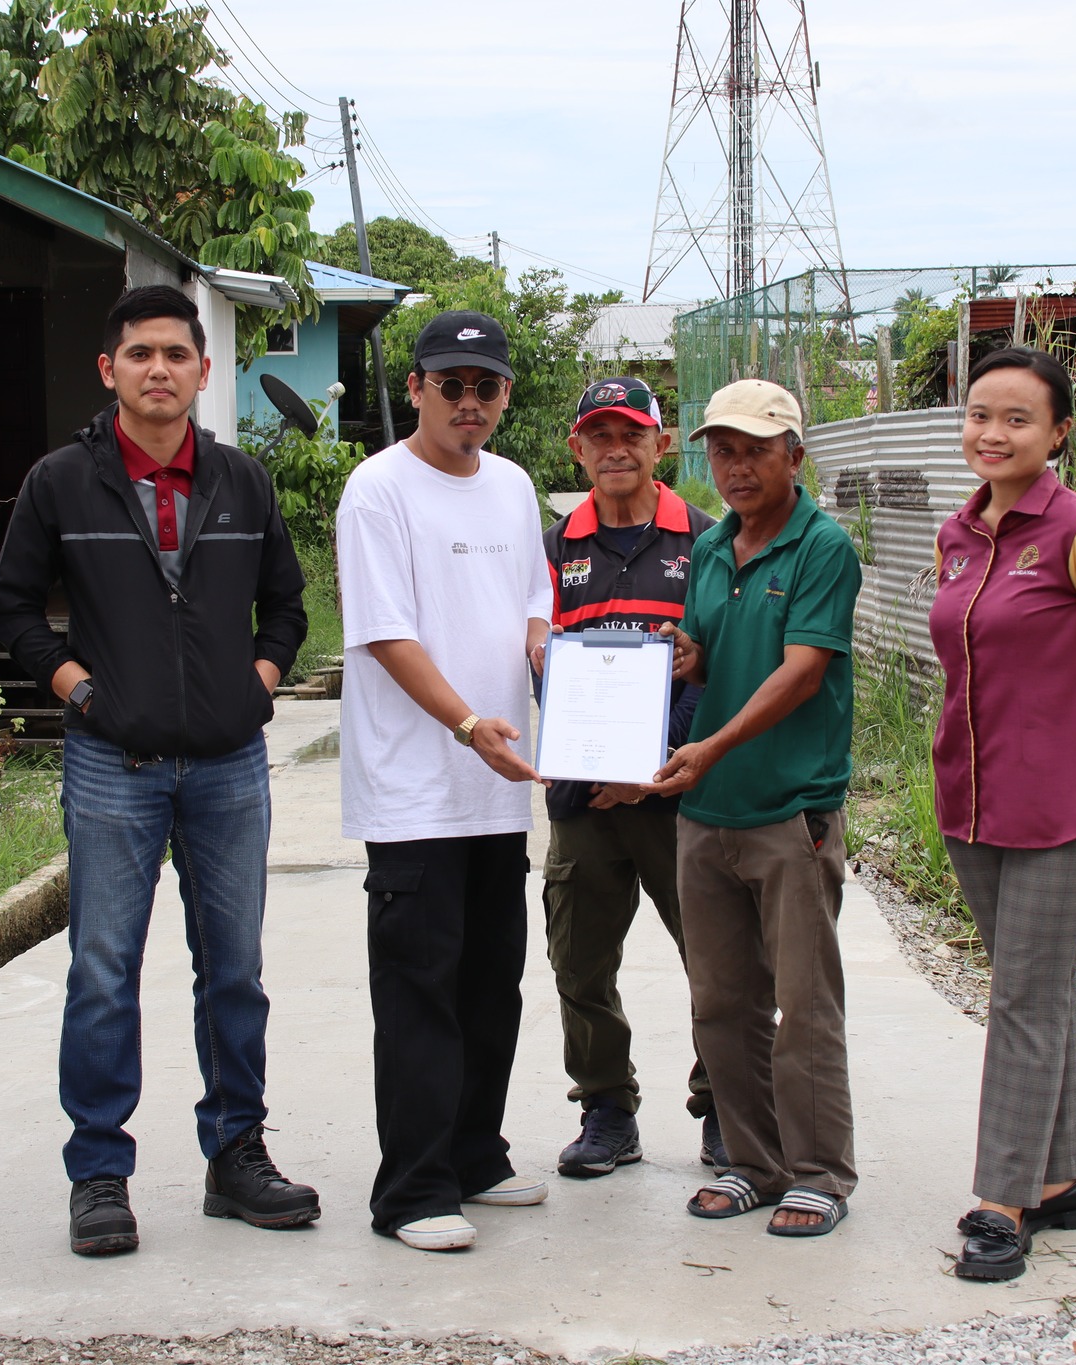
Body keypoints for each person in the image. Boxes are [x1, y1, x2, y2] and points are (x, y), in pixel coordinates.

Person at [0, 285, 316, 1255]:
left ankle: (237, 1155)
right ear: (110, 369)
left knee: (234, 969)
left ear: (203, 370)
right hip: (112, 764)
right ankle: (98, 1172)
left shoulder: (241, 481)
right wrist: (82, 692)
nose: (159, 370)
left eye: (177, 354)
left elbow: (286, 607)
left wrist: (255, 686)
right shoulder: (60, 482)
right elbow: (14, 609)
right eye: (140, 354)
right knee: (102, 970)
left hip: (227, 766)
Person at [932, 347, 1076, 1281]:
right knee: (1040, 986)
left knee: (1021, 996)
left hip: (1070, 804)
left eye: (1018, 419)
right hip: (974, 801)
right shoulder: (957, 535)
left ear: (1058, 432)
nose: (993, 433)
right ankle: (1065, 1181)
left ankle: (1003, 1200)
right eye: (980, 414)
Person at [334, 310, 555, 1252]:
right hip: (416, 790)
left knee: (491, 983)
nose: (469, 402)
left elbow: (536, 601)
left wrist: (548, 655)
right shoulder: (377, 490)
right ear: (416, 387)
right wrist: (467, 725)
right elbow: (386, 634)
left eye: (486, 386)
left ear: (504, 394)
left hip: (498, 789)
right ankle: (412, 1190)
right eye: (451, 384)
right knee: (419, 991)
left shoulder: (513, 485)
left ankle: (475, 1155)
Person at [649, 378, 862, 1238]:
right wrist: (686, 656)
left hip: (788, 808)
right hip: (708, 812)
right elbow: (713, 652)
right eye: (722, 451)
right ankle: (753, 1160)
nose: (736, 468)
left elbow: (802, 672)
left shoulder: (823, 547)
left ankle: (819, 1172)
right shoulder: (711, 548)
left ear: (794, 455)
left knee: (804, 1004)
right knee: (721, 1002)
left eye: (755, 451)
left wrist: (710, 745)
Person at [537, 376, 722, 1180]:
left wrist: (654, 767)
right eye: (599, 436)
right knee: (578, 961)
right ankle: (606, 1109)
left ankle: (724, 1106)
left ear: (662, 443)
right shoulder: (550, 548)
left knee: (717, 957)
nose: (616, 450)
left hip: (682, 796)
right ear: (576, 448)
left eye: (632, 435)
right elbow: (538, 661)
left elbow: (717, 667)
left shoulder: (707, 542)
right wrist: (596, 764)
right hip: (582, 799)